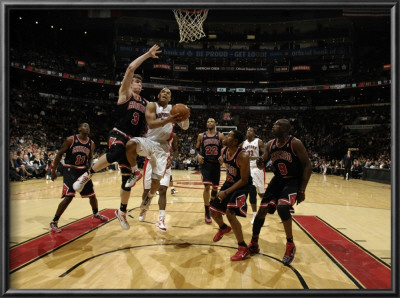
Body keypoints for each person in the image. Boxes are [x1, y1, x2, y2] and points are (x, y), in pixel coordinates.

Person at [72, 44, 162, 230]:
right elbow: (130, 68)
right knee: (116, 151)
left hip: (133, 141)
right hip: (119, 133)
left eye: (140, 83)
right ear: (129, 84)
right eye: (136, 82)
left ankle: (121, 212)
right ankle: (86, 176)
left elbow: (150, 124)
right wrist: (147, 54)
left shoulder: (146, 103)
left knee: (127, 181)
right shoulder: (125, 94)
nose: (139, 84)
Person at [248, 119, 312, 266]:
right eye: (274, 124)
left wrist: (302, 189)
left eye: (277, 125)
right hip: (278, 180)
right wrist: (260, 162)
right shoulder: (270, 144)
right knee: (262, 210)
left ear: (286, 128)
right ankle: (254, 242)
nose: (273, 126)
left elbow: (308, 165)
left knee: (282, 207)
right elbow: (263, 161)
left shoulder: (295, 143)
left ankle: (290, 245)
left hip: (292, 181)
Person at [126, 87, 189, 226]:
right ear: (159, 95)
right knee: (130, 144)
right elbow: (151, 124)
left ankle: (148, 200)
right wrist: (170, 119)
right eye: (163, 92)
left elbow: (184, 127)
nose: (165, 94)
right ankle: (135, 171)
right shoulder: (152, 105)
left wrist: (186, 115)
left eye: (168, 93)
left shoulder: (174, 109)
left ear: (170, 98)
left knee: (156, 186)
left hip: (163, 149)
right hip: (150, 142)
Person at [49, 123, 109, 233]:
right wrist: (53, 170)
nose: (87, 128)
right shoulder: (71, 140)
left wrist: (89, 169)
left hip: (83, 170)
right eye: (85, 126)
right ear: (79, 129)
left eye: (89, 126)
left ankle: (96, 213)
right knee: (69, 197)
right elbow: (59, 154)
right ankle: (54, 222)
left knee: (92, 195)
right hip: (70, 169)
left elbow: (90, 157)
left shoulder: (91, 143)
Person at [209, 130, 252, 261]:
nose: (225, 136)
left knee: (230, 214)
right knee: (213, 211)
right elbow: (228, 166)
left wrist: (226, 192)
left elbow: (244, 180)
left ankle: (243, 248)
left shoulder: (243, 155)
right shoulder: (224, 151)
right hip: (230, 182)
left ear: (235, 142)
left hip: (241, 186)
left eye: (229, 136)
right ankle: (223, 228)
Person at [140, 134, 178, 231]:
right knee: (147, 190)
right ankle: (144, 208)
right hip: (150, 162)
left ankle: (161, 219)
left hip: (165, 162)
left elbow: (176, 151)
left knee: (163, 190)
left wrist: (172, 160)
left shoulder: (173, 135)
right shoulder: (151, 133)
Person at [195, 118, 225, 224]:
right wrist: (198, 155)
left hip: (216, 164)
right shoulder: (201, 135)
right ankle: (207, 211)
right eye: (208, 121)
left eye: (212, 121)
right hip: (206, 164)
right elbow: (197, 149)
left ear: (215, 123)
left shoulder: (220, 135)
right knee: (207, 186)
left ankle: (212, 203)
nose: (210, 123)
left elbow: (225, 148)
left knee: (215, 187)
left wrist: (223, 157)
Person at [242, 127, 265, 224]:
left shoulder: (258, 141)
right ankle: (255, 214)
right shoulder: (243, 143)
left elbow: (265, 154)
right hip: (247, 168)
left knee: (261, 193)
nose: (248, 132)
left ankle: (270, 204)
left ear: (254, 133)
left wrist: (256, 158)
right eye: (247, 130)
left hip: (257, 168)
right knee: (252, 190)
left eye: (251, 130)